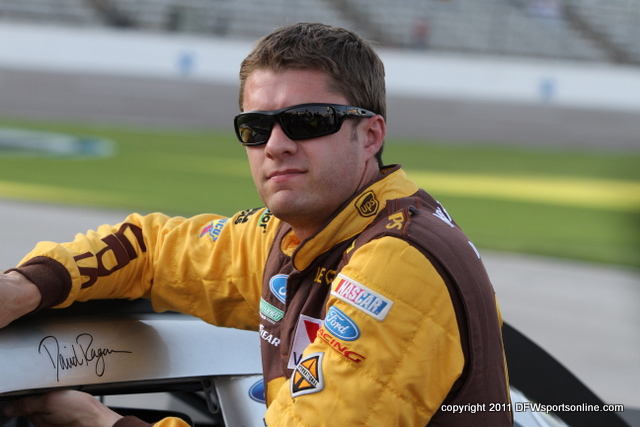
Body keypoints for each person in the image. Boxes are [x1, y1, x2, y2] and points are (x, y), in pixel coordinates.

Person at [0, 23, 513, 426]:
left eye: (309, 122)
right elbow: (150, 248)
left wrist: (100, 422)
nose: (276, 145)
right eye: (256, 127)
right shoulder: (294, 234)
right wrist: (25, 286)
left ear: (371, 134)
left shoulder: (396, 264)